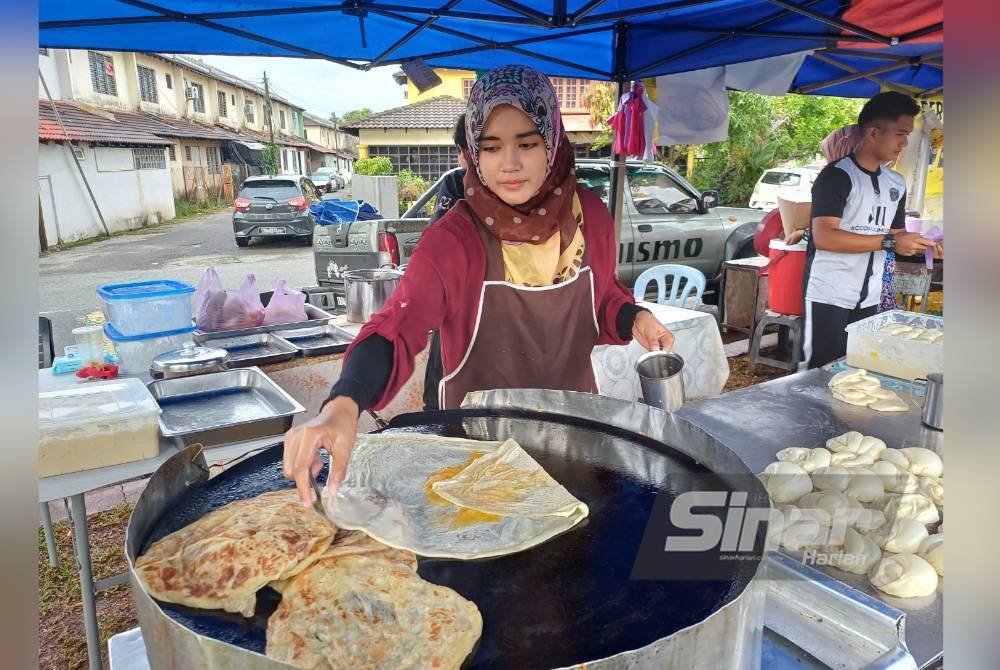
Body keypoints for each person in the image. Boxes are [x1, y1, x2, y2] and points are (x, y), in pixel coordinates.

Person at [284, 65, 675, 505]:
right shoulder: (454, 241)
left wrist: (634, 317)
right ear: (473, 152)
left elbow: (603, 296)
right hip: (474, 458)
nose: (509, 163)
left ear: (552, 140)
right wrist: (344, 403)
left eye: (527, 143)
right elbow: (397, 327)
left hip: (573, 443)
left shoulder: (589, 215)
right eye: (491, 148)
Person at [802, 92, 939, 369]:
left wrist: (927, 244)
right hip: (828, 292)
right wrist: (890, 243)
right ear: (874, 132)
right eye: (900, 133)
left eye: (908, 135)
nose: (905, 142)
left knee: (855, 367)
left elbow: (897, 235)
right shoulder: (836, 176)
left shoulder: (896, 183)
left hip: (870, 293)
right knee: (818, 370)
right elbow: (825, 236)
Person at [422, 116, 469, 411]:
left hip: (473, 320)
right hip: (455, 311)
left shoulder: (457, 180)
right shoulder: (457, 183)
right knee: (440, 403)